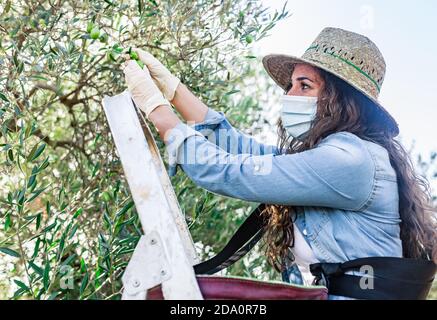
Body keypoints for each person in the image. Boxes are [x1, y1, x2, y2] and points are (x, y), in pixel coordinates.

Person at [122, 27, 436, 300]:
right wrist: (172, 90)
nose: (290, 95)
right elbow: (241, 149)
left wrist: (157, 111)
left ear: (341, 99)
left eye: (304, 85)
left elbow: (230, 172)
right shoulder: (339, 155)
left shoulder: (350, 161)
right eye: (290, 86)